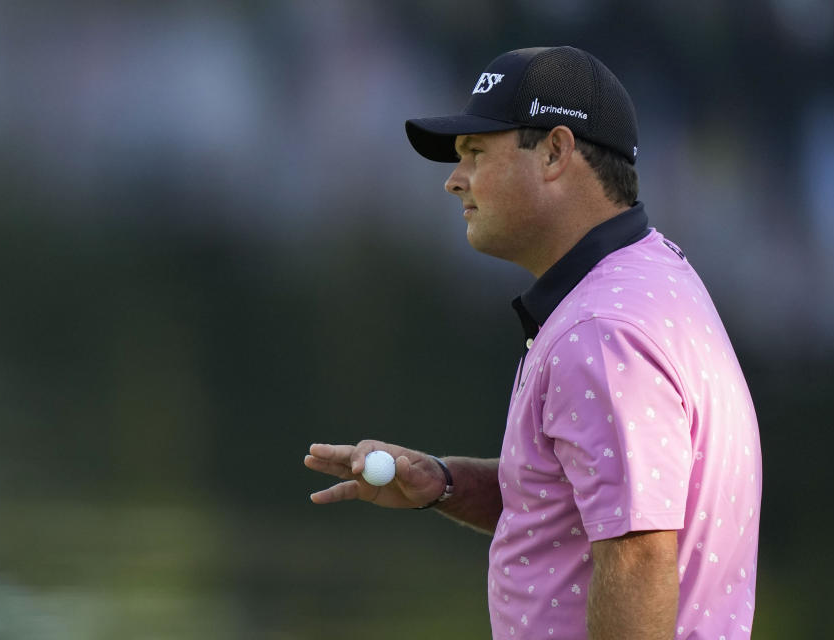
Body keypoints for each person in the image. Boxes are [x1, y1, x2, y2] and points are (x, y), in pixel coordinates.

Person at [305, 46, 762, 640]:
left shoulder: (600, 334)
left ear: (555, 152)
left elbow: (638, 554)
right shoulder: (650, 276)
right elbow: (579, 503)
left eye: (475, 153)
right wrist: (443, 483)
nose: (453, 179)